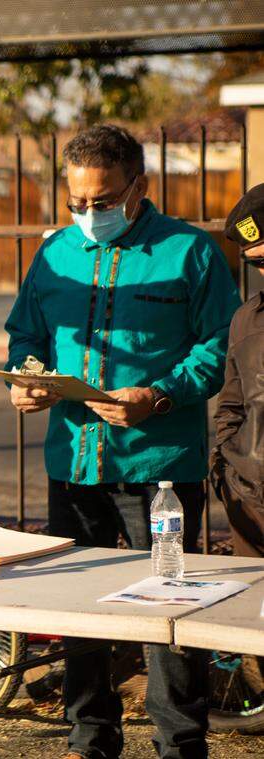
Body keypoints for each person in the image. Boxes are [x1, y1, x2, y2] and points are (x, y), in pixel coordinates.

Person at [4, 123, 241, 759]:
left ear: (139, 187)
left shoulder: (189, 252)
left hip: (160, 469)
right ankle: (90, 741)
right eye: (76, 201)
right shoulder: (53, 253)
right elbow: (25, 335)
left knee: (170, 617)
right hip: (72, 466)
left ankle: (179, 744)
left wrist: (158, 395)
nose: (88, 213)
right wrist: (25, 380)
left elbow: (221, 348)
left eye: (103, 201)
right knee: (78, 612)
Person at [211, 184, 264, 557]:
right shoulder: (246, 319)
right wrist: (228, 471)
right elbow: (231, 406)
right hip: (252, 508)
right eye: (258, 262)